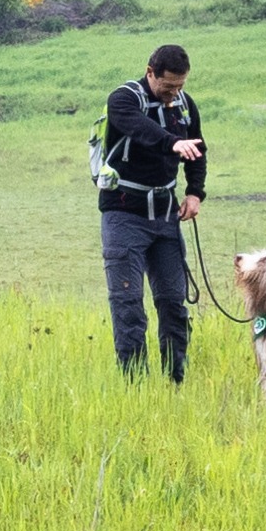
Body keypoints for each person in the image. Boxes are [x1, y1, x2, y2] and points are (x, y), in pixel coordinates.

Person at [96, 43, 212, 381]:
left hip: (166, 217)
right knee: (129, 304)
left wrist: (194, 192)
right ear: (150, 73)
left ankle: (176, 380)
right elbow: (140, 130)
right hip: (123, 215)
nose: (174, 94)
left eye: (180, 85)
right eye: (168, 86)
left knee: (174, 304)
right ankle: (135, 385)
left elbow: (198, 149)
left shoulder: (185, 105)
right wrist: (171, 142)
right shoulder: (123, 100)